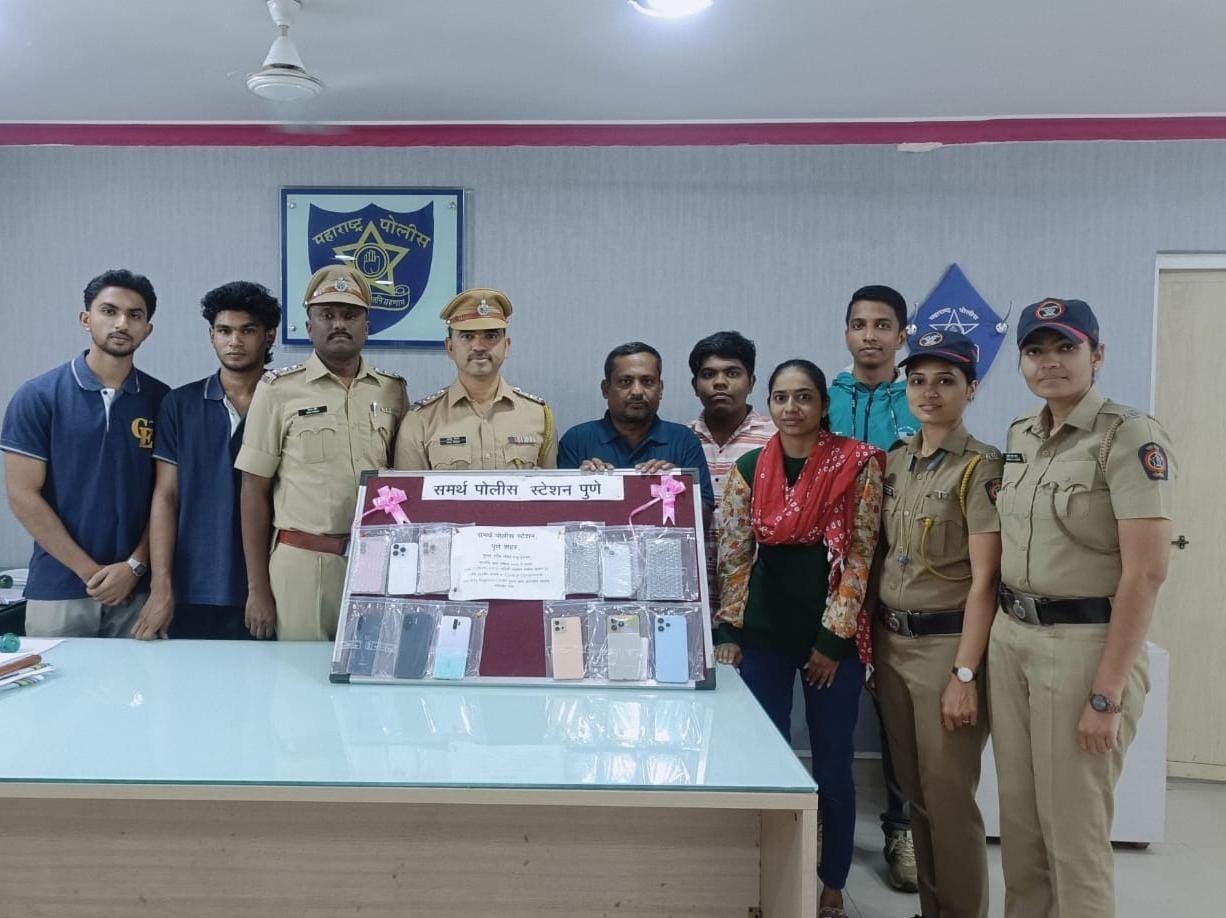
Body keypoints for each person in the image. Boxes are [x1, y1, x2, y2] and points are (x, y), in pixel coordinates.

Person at [990, 298, 1175, 918]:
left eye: (1065, 347)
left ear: (1097, 355)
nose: (1050, 362)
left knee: (1074, 834)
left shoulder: (1128, 436)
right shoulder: (1021, 433)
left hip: (1082, 649)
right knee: (1021, 828)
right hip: (1011, 637)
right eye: (1035, 350)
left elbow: (1147, 573)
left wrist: (1107, 694)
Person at [714, 359, 884, 918]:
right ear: (769, 404)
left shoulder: (856, 464)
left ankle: (832, 883)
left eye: (804, 397)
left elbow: (860, 554)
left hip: (831, 640)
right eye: (781, 397)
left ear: (823, 405)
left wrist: (832, 643)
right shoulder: (748, 467)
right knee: (765, 759)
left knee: (832, 766)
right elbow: (735, 554)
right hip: (764, 637)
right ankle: (766, 876)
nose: (792, 408)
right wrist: (730, 629)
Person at [871, 330, 1003, 918]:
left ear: (970, 390)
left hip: (946, 649)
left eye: (946, 381)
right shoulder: (896, 462)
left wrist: (965, 674)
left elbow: (985, 580)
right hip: (892, 644)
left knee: (950, 801)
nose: (929, 391)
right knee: (916, 796)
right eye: (918, 380)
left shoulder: (981, 466)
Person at [235, 265, 408, 641]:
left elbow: (404, 480)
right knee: (298, 675)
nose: (339, 324)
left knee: (372, 668)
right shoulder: (278, 390)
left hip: (376, 559)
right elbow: (253, 489)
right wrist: (257, 588)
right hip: (302, 564)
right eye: (327, 315)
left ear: (367, 326)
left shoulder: (392, 391)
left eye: (350, 315)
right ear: (309, 327)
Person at [1, 269, 168, 637]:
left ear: (147, 329)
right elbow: (22, 495)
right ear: (86, 318)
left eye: (134, 315)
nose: (121, 323)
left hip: (138, 591)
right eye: (109, 311)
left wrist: (135, 567)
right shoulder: (38, 396)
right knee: (56, 678)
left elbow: (168, 495)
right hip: (59, 587)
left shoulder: (163, 402)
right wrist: (90, 573)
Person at [827, 283, 920, 891]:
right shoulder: (823, 397)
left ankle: (901, 827)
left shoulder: (918, 396)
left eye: (882, 325)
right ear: (846, 333)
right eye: (859, 324)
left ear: (901, 335)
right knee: (830, 697)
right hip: (833, 569)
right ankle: (820, 818)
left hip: (900, 568)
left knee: (894, 706)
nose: (870, 335)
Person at [134, 282, 282, 640]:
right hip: (193, 586)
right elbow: (166, 496)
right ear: (211, 336)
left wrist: (260, 588)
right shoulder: (179, 405)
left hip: (272, 586)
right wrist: (161, 586)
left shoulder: (287, 402)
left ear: (269, 336)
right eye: (224, 331)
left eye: (247, 330)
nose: (235, 341)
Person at [394, 287, 556, 470]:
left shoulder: (538, 415)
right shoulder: (420, 420)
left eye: (491, 336)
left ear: (506, 346)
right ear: (450, 347)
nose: (479, 346)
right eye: (467, 336)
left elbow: (550, 486)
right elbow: (409, 488)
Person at [558, 341, 715, 512]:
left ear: (660, 389)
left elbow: (705, 517)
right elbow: (557, 512)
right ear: (605, 389)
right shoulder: (577, 440)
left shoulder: (683, 439)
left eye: (647, 381)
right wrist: (580, 485)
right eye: (625, 381)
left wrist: (678, 487)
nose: (637, 392)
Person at [686, 331, 775, 606]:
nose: (720, 382)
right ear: (695, 385)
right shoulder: (679, 442)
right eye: (708, 374)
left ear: (751, 382)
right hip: (691, 598)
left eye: (732, 373)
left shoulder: (777, 439)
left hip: (757, 601)